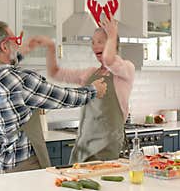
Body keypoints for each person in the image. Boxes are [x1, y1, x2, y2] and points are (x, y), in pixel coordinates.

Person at [0, 21, 107, 174]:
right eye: (15, 41)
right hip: (25, 165)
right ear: (4, 46)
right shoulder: (22, 81)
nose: (18, 45)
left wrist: (21, 53)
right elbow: (63, 97)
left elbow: (0, 72)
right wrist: (93, 91)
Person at [30, 14, 135, 163]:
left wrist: (112, 35)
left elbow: (109, 60)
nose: (95, 45)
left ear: (113, 43)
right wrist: (51, 47)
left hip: (108, 148)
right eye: (93, 42)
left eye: (100, 41)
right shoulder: (90, 73)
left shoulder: (125, 70)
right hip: (83, 146)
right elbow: (55, 73)